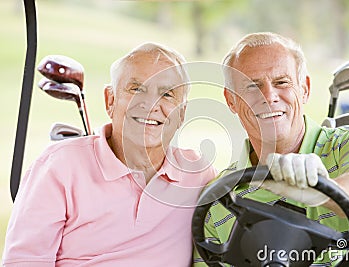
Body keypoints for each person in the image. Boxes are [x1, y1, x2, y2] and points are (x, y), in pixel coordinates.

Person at [193, 32, 349, 266]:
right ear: (231, 100)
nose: (269, 96)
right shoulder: (218, 197)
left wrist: (322, 191)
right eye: (252, 86)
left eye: (281, 82)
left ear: (305, 89)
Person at [2, 43, 217, 267]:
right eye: (136, 89)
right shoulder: (58, 167)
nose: (151, 104)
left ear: (181, 113)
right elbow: (23, 262)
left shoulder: (199, 174)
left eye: (167, 94)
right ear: (110, 100)